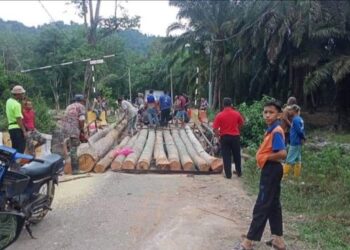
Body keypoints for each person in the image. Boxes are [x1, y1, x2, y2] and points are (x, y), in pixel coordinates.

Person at [236, 100, 287, 250]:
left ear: (278, 114)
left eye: (271, 112)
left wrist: (265, 157)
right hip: (272, 170)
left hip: (271, 170)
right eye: (265, 112)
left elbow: (282, 153)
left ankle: (249, 241)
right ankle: (279, 240)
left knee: (262, 205)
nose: (267, 115)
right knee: (273, 205)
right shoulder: (271, 130)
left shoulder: (276, 131)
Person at [212, 97, 244, 178]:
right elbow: (241, 124)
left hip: (225, 137)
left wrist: (218, 136)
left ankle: (228, 174)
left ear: (223, 105)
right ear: (231, 104)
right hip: (235, 137)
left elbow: (215, 128)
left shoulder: (219, 115)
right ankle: (239, 172)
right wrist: (237, 130)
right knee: (237, 155)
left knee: (226, 156)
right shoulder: (236, 114)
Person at [61, 94, 86, 175]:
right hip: (74, 130)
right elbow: (81, 119)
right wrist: (82, 130)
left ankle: (67, 166)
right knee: (74, 149)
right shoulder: (81, 106)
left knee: (69, 148)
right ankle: (75, 170)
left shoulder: (69, 106)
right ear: (82, 100)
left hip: (65, 129)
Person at [283, 104, 305, 178]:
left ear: (294, 111)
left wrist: (303, 137)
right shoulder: (300, 119)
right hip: (298, 142)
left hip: (295, 142)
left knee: (289, 159)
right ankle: (297, 176)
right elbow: (302, 130)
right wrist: (303, 138)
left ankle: (284, 176)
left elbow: (299, 131)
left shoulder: (295, 120)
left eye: (290, 110)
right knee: (298, 159)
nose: (289, 111)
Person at [6, 85, 27, 153]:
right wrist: (24, 131)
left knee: (14, 148)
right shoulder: (17, 104)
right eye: (22, 93)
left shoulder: (8, 101)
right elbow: (18, 119)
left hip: (11, 128)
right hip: (17, 128)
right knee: (20, 149)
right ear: (18, 94)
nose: (23, 95)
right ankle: (18, 163)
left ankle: (12, 163)